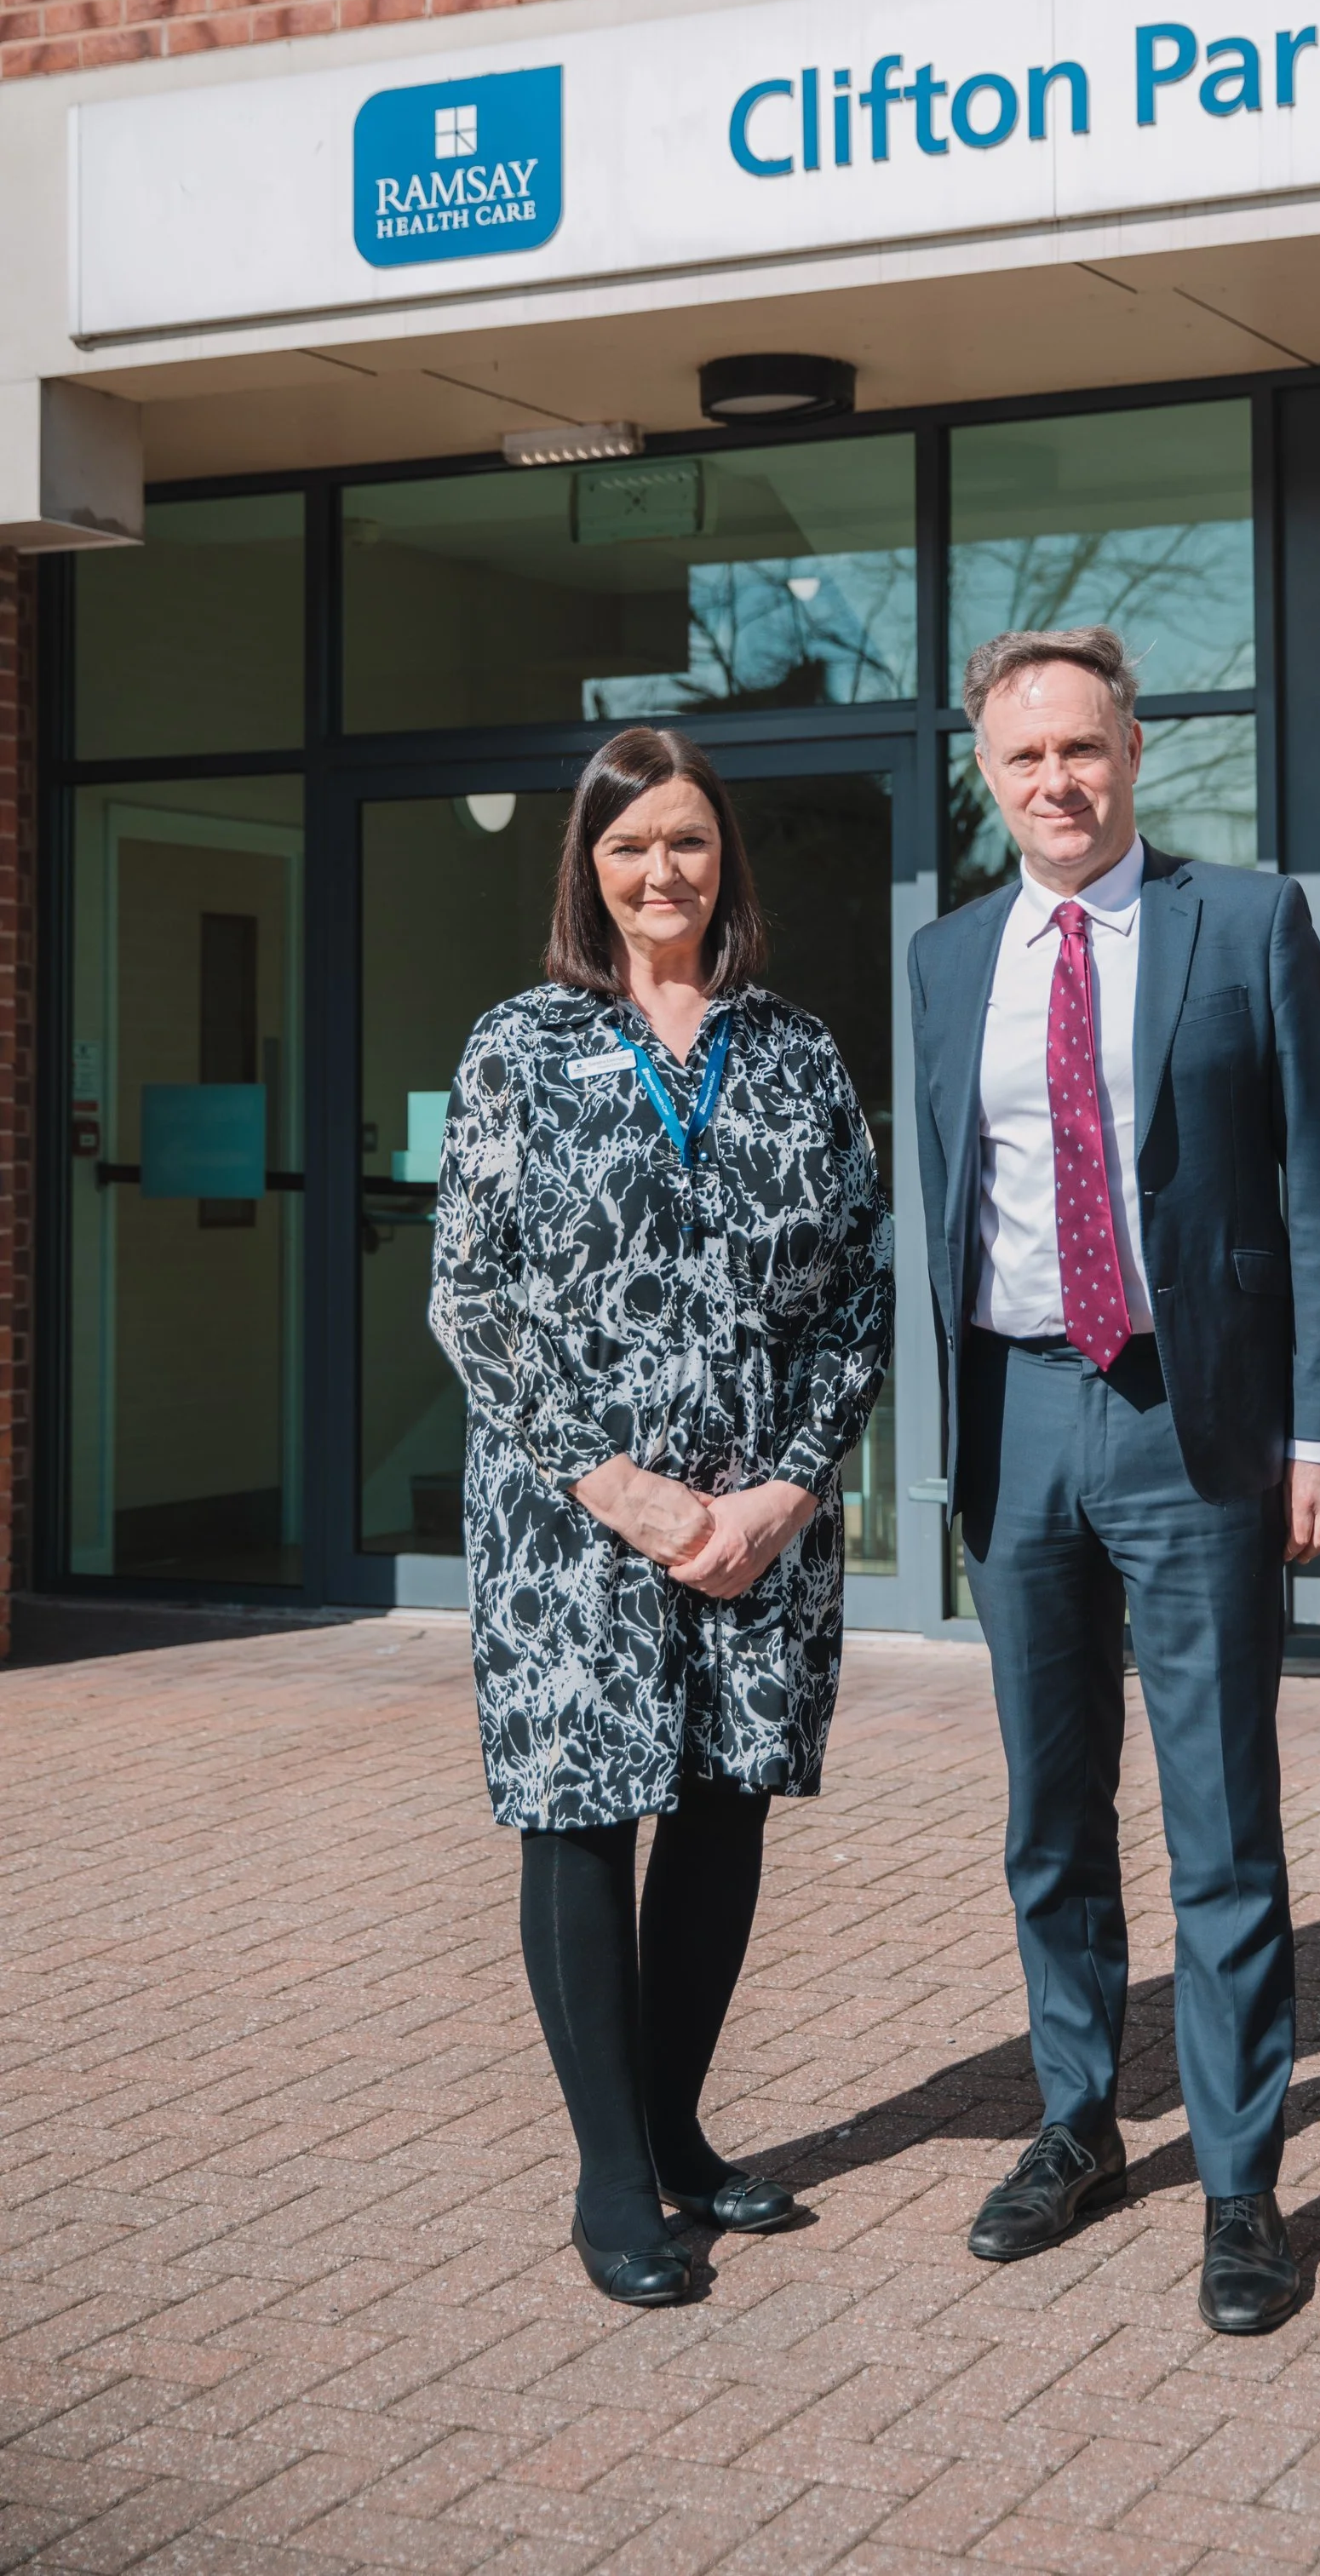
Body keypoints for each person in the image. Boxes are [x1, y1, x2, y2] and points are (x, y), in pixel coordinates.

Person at [909, 627, 1320, 2335]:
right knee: (1049, 1813)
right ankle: (1075, 2120)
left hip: (1197, 1419)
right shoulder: (946, 957)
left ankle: (1243, 2187)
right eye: (1024, 757)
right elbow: (944, 1204)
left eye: (1082, 750)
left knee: (1218, 1820)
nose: (1056, 781)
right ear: (987, 771)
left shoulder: (1242, 923)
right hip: (1018, 1411)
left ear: (1131, 755)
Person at [431, 726, 892, 2305]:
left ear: (724, 860)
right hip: (576, 1530)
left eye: (686, 842)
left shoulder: (797, 1054)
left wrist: (786, 1486)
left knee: (719, 1809)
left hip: (756, 1526)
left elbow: (859, 1298)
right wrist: (613, 1485)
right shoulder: (515, 1047)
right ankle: (613, 2180)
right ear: (590, 867)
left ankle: (680, 2130)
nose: (661, 873)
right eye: (630, 847)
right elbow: (471, 1296)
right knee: (580, 1814)